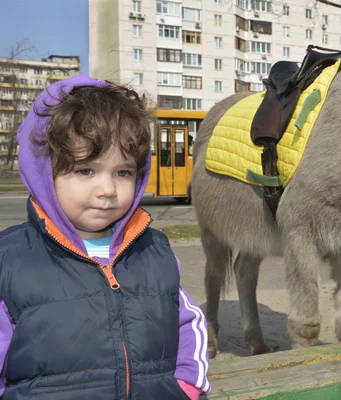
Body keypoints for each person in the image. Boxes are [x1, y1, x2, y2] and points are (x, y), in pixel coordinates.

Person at [0, 76, 210, 399]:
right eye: (86, 170)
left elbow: (188, 324)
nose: (108, 190)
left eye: (123, 172)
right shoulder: (12, 261)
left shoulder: (154, 252)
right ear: (46, 170)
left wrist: (186, 387)